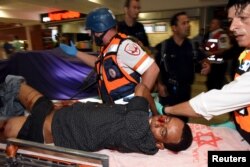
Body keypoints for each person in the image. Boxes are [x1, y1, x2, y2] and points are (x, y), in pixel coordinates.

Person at [0, 75, 193, 154]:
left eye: (163, 132)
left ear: (159, 144)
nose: (160, 123)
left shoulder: (138, 129)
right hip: (61, 113)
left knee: (7, 126)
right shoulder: (144, 126)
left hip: (49, 128)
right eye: (165, 120)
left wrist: (156, 110)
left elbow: (142, 88)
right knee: (16, 86)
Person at [162, 0, 250, 145]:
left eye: (243, 18)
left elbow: (210, 103)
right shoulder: (246, 52)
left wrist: (166, 110)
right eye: (231, 20)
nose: (233, 26)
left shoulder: (197, 42)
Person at [60, 7, 159, 104]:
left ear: (99, 29)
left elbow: (152, 69)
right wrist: (76, 53)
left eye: (91, 31)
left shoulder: (123, 46)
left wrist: (138, 103)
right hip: (116, 112)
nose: (90, 35)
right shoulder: (109, 47)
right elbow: (99, 64)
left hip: (129, 113)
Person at [154, 12, 210, 122]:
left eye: (188, 22)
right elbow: (155, 67)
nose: (188, 25)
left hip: (185, 91)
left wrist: (207, 64)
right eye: (184, 23)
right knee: (167, 121)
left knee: (183, 121)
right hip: (168, 92)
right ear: (174, 28)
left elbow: (204, 59)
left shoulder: (192, 46)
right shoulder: (163, 47)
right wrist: (159, 84)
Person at [204, 18, 231, 90]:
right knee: (210, 84)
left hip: (219, 65)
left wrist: (211, 53)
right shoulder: (212, 34)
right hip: (212, 64)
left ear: (218, 25)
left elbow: (223, 49)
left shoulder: (222, 35)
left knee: (217, 85)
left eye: (213, 23)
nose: (210, 25)